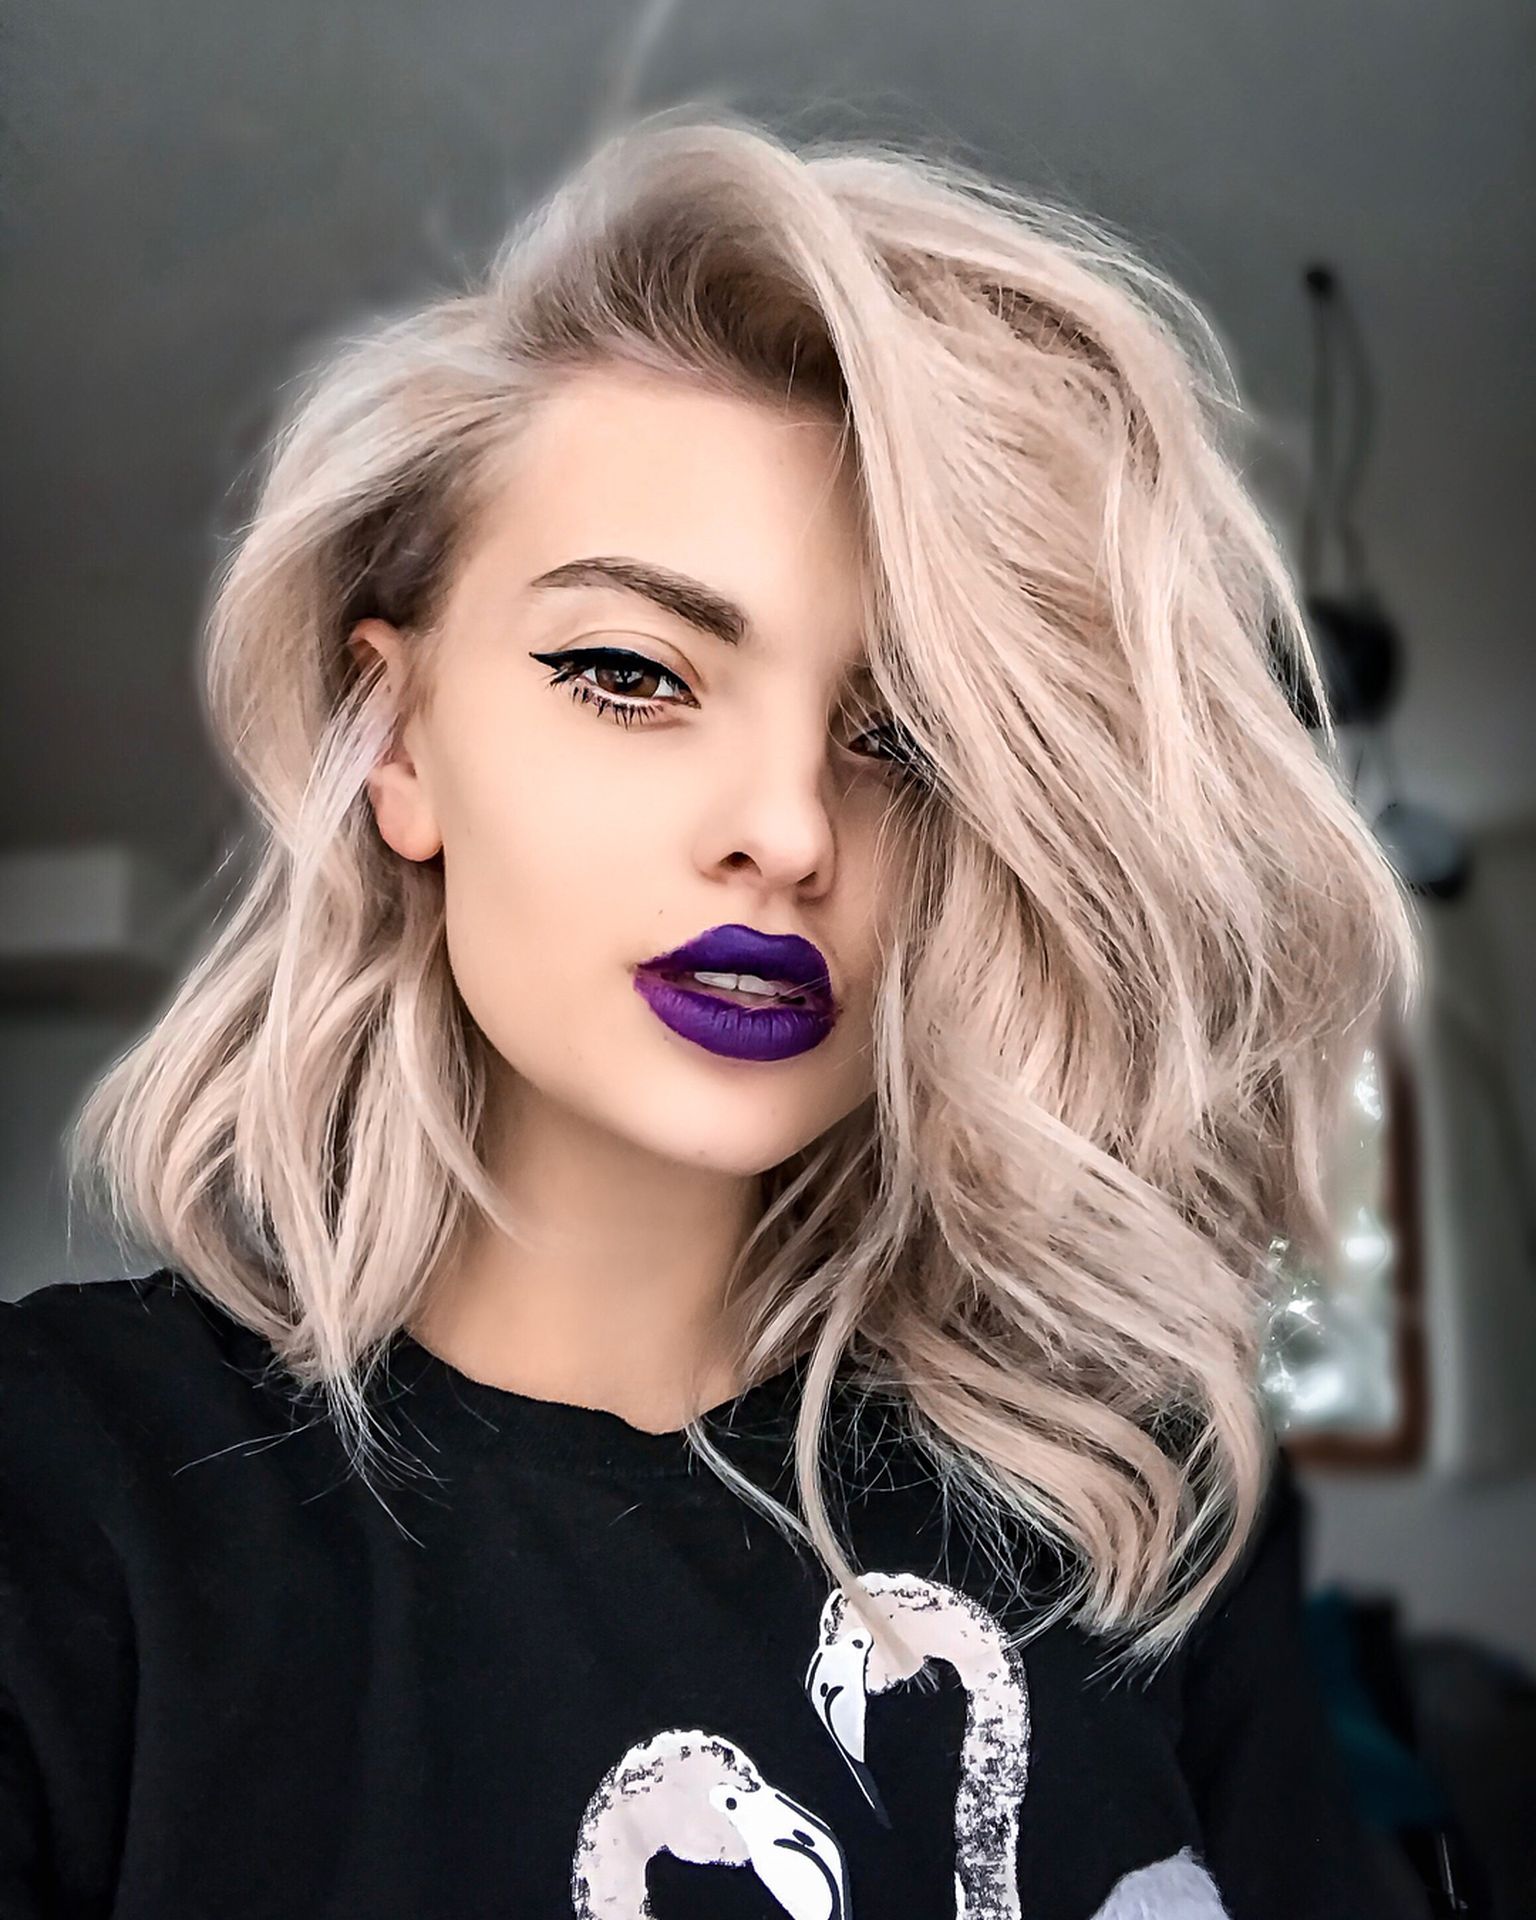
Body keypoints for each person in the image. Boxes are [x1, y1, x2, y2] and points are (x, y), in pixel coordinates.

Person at [0, 108, 1423, 1918]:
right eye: (632, 673)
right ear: (399, 738)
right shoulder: (67, 1495)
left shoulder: (1133, 1507)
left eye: (901, 738)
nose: (790, 828)